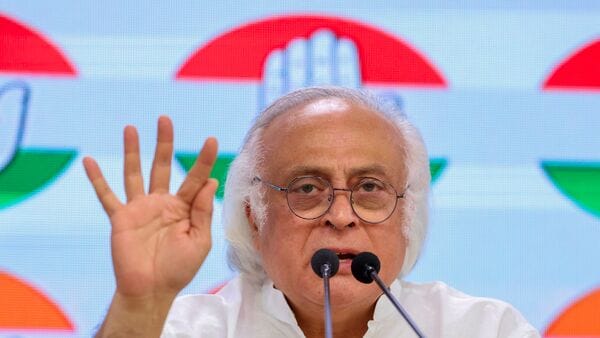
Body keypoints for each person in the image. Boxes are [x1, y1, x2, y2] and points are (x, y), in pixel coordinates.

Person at [84, 87, 540, 337]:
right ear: (254, 217)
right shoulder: (190, 330)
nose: (341, 215)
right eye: (307, 188)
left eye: (369, 188)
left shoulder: (481, 329)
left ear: (407, 216)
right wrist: (139, 305)